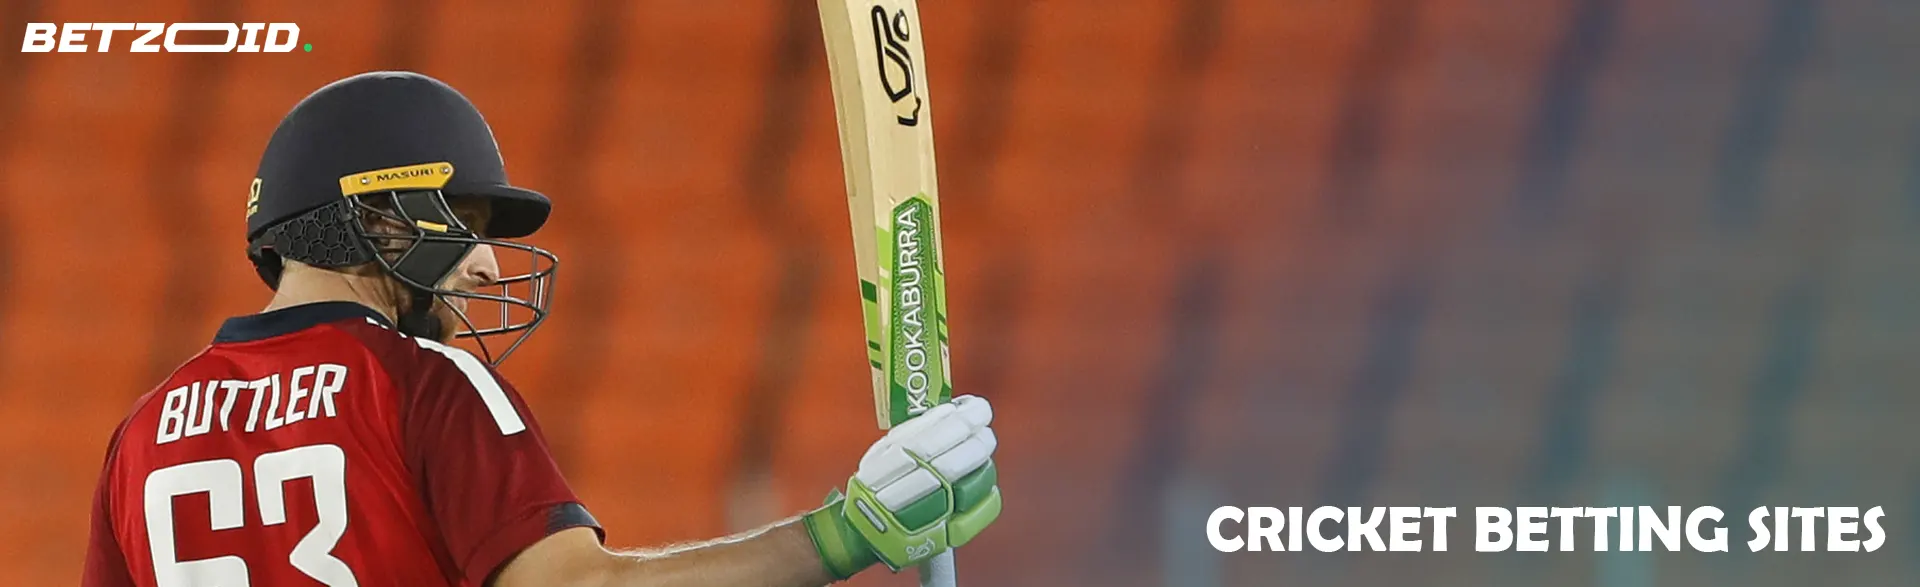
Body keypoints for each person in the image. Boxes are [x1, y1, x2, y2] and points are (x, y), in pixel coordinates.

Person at [80, 71, 1001, 587]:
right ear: (385, 218)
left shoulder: (140, 433)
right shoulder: (424, 384)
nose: (483, 263)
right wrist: (844, 535)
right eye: (467, 225)